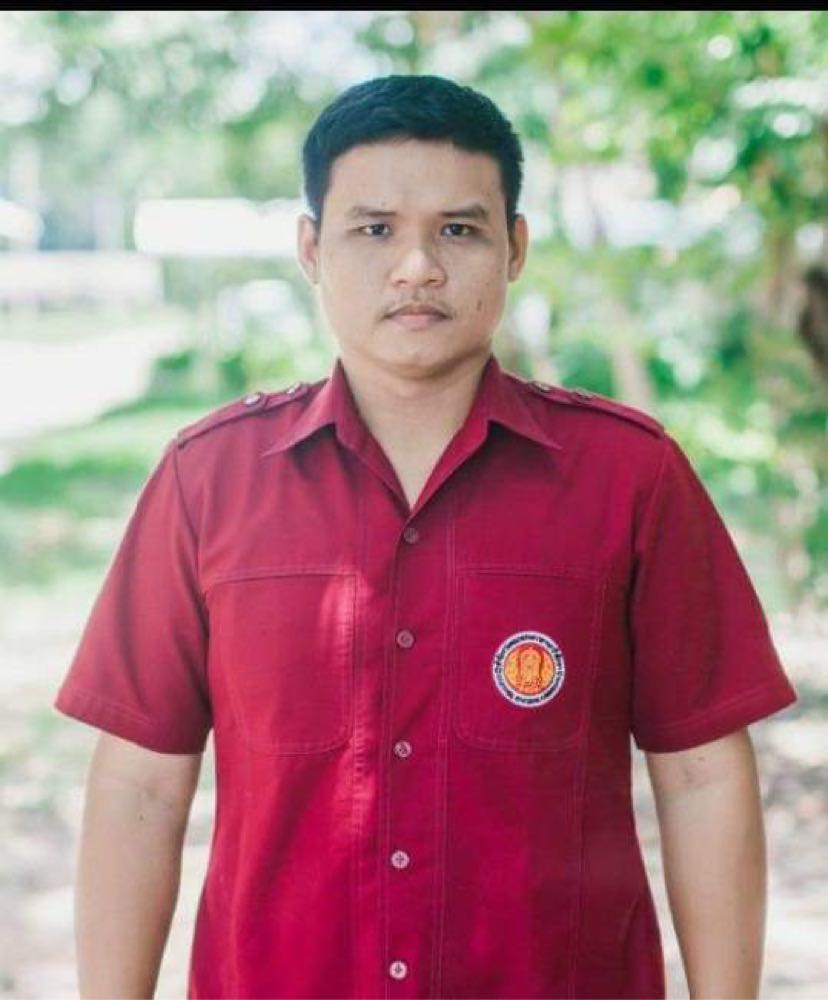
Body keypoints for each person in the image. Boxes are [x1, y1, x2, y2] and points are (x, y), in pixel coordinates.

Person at [53, 74, 798, 999]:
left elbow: (700, 777)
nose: (417, 267)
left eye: (458, 230)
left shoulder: (629, 476)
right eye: (374, 229)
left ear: (514, 248)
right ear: (312, 249)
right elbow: (140, 787)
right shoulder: (208, 480)